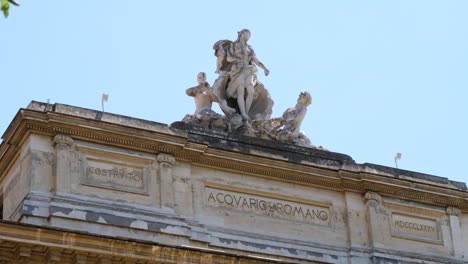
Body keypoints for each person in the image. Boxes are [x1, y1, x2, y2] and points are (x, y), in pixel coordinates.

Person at [213, 29, 272, 121]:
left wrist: (264, 68)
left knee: (251, 91)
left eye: (249, 35)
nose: (248, 36)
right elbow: (228, 58)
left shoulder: (250, 48)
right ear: (241, 34)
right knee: (240, 90)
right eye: (246, 34)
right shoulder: (234, 45)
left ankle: (247, 112)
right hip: (237, 70)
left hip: (249, 69)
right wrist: (237, 58)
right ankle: (243, 114)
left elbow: (255, 59)